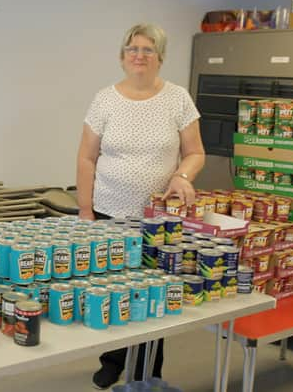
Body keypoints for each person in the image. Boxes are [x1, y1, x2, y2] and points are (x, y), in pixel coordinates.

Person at [76, 23, 205, 389]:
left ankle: (148, 370)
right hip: (109, 214)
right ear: (122, 55)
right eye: (133, 48)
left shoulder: (178, 99)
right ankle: (112, 359)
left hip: (157, 221)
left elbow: (195, 152)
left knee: (153, 297)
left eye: (148, 50)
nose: (139, 55)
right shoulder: (104, 99)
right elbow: (86, 159)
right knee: (112, 293)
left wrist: (183, 176)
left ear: (160, 58)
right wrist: (85, 211)